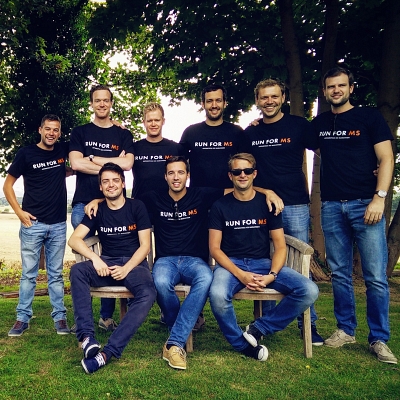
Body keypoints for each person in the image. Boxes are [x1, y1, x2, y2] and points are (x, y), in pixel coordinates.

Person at [311, 67, 397, 364]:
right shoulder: (320, 123)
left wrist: (379, 197)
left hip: (366, 204)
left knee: (375, 277)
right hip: (332, 205)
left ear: (351, 88)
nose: (336, 90)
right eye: (330, 87)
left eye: (341, 85)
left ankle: (379, 338)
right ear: (325, 91)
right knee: (340, 273)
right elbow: (309, 145)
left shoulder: (369, 117)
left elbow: (386, 158)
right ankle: (346, 329)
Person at [208, 153, 319, 360]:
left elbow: (280, 246)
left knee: (309, 290)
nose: (242, 175)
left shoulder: (267, 204)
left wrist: (272, 275)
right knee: (217, 296)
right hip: (231, 265)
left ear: (254, 174)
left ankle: (258, 329)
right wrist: (240, 274)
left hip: (263, 264)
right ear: (230, 176)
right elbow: (214, 249)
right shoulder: (220, 206)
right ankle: (241, 344)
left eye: (247, 171)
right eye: (237, 171)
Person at [239, 78, 324, 345]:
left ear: (283, 98)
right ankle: (265, 321)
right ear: (257, 100)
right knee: (266, 261)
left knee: (300, 265)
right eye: (264, 97)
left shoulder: (299, 126)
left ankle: (308, 324)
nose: (269, 101)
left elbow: (327, 151)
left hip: (295, 204)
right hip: (262, 205)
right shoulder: (250, 133)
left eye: (274, 96)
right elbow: (243, 172)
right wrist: (265, 191)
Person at [68, 163, 156, 374]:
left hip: (134, 264)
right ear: (100, 187)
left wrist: (126, 268)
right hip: (106, 262)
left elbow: (145, 246)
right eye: (105, 181)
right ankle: (87, 337)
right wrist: (95, 259)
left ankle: (107, 353)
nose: (111, 185)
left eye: (115, 180)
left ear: (123, 184)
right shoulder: (97, 210)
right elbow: (74, 239)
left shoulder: (137, 207)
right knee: (77, 271)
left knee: (148, 293)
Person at [69, 84, 135, 332]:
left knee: (112, 256)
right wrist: (111, 167)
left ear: (111, 103)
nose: (102, 104)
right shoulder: (80, 132)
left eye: (106, 100)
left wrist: (93, 159)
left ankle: (106, 316)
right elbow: (76, 164)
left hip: (115, 205)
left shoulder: (122, 133)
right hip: (83, 205)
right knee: (86, 261)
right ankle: (83, 319)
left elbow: (127, 165)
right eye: (97, 100)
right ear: (92, 103)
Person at [4, 114, 71, 336]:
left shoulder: (62, 151)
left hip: (58, 224)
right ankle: (22, 318)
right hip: (33, 224)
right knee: (28, 275)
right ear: (40, 130)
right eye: (48, 129)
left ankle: (60, 317)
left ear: (59, 132)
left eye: (56, 129)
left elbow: (84, 143)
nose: (52, 133)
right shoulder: (26, 154)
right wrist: (19, 212)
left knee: (56, 274)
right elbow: (7, 186)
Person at [179, 83, 243, 189]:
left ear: (225, 103)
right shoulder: (191, 132)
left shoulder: (237, 132)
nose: (214, 105)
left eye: (218, 100)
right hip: (198, 195)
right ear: (203, 104)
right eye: (209, 101)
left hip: (229, 195)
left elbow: (247, 165)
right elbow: (178, 165)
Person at [132, 102, 185, 200]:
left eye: (157, 120)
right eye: (149, 121)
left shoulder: (176, 148)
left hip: (168, 204)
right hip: (140, 204)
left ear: (163, 121)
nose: (153, 124)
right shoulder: (134, 148)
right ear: (144, 122)